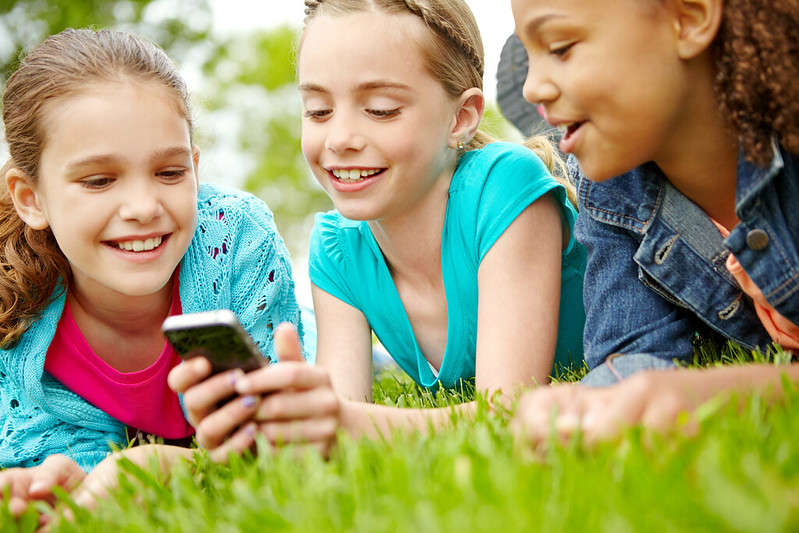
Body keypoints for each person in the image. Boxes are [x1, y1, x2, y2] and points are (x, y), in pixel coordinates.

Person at [169, 0, 586, 451]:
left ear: (461, 118)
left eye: (381, 109)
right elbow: (340, 414)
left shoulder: (504, 185)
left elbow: (511, 411)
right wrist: (283, 423)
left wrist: (347, 422)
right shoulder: (337, 247)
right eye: (318, 110)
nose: (340, 139)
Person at [0, 28, 304, 516]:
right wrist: (75, 477)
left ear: (196, 169)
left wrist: (163, 466)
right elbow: (55, 456)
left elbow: (277, 441)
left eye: (169, 173)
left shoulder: (239, 244)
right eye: (99, 180)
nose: (143, 207)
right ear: (31, 198)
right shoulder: (16, 311)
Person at [508, 0, 799, 444]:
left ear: (689, 18)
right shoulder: (610, 193)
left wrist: (732, 392)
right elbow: (632, 355)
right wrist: (591, 402)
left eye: (562, 47)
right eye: (529, 57)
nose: (531, 88)